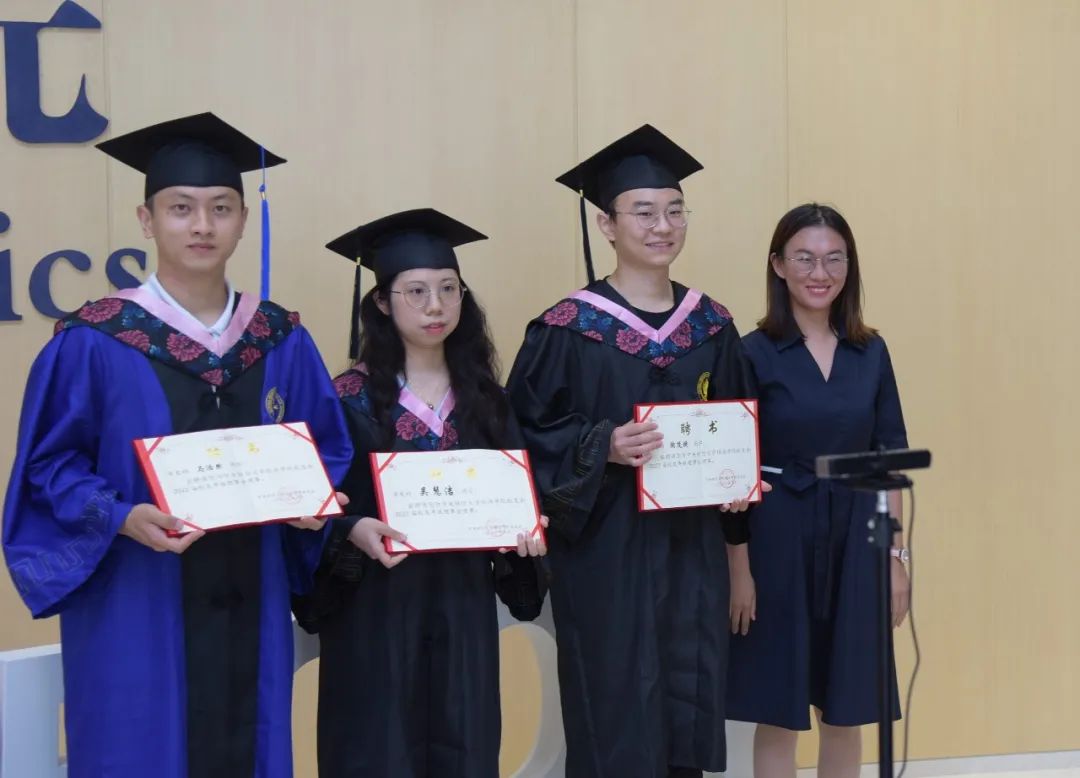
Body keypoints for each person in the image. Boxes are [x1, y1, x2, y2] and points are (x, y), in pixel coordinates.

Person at [2, 112, 353, 778]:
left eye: (220, 208)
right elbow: (48, 466)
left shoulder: (279, 338)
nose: (201, 226)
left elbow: (326, 449)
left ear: (242, 221)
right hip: (138, 600)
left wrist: (313, 501)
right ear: (147, 220)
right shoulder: (94, 340)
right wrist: (119, 515)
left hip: (251, 596)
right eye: (181, 208)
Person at [506, 125, 759, 778]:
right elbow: (523, 433)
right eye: (643, 212)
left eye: (675, 210)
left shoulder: (712, 326)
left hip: (692, 555)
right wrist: (603, 445)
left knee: (685, 698)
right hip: (605, 555)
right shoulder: (568, 328)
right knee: (613, 702)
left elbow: (741, 428)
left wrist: (739, 483)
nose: (662, 226)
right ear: (606, 224)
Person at [298, 208, 548, 778]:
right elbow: (314, 507)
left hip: (463, 609)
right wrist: (351, 528)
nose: (435, 306)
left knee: (465, 741)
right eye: (416, 291)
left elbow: (518, 497)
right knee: (377, 748)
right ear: (382, 303)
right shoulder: (345, 401)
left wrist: (526, 533)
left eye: (448, 289)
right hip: (374, 612)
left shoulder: (487, 400)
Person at [726, 203, 910, 778]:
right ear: (778, 265)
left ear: (850, 267)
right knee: (779, 711)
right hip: (777, 535)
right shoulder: (751, 352)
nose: (820, 272)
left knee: (846, 709)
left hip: (857, 538)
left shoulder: (871, 351)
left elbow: (887, 460)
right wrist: (739, 572)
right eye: (804, 258)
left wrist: (896, 560)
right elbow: (732, 472)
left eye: (834, 259)